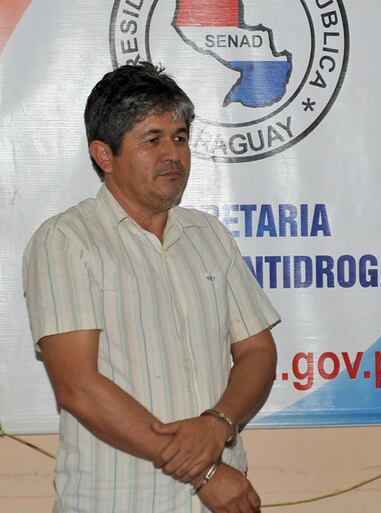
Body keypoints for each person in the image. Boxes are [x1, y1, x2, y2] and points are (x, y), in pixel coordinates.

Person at [22, 62, 280, 513]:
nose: (173, 155)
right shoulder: (67, 240)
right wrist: (206, 471)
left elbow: (258, 351)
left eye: (179, 137)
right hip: (120, 500)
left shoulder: (209, 235)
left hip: (221, 501)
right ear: (104, 155)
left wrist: (218, 424)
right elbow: (78, 386)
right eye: (152, 139)